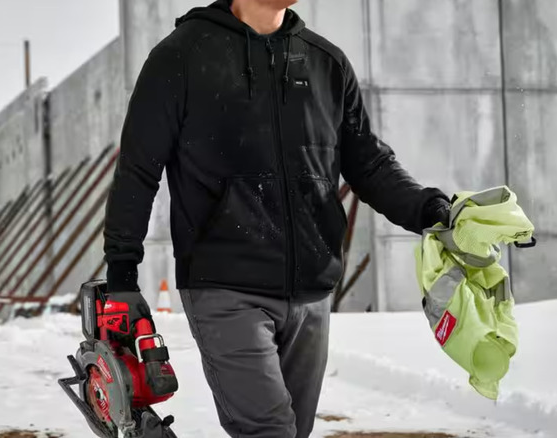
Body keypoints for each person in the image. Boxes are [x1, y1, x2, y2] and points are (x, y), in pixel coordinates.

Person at [103, 0, 450, 437]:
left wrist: (428, 210)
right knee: (271, 432)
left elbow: (369, 164)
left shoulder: (326, 62)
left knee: (291, 432)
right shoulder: (182, 56)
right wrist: (122, 273)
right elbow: (138, 169)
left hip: (311, 293)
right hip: (224, 286)